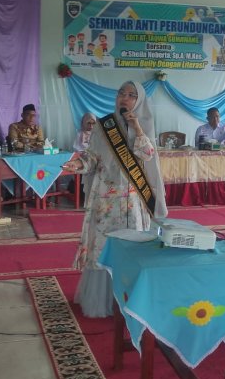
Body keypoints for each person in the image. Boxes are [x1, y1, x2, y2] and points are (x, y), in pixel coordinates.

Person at [61, 81, 167, 318]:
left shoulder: (144, 125)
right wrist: (77, 164)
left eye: (131, 95)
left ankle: (130, 301)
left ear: (138, 101)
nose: (125, 98)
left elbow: (147, 154)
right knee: (104, 247)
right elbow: (92, 158)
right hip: (105, 200)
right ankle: (101, 301)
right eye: (121, 93)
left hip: (131, 201)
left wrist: (136, 126)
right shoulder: (104, 125)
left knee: (131, 248)